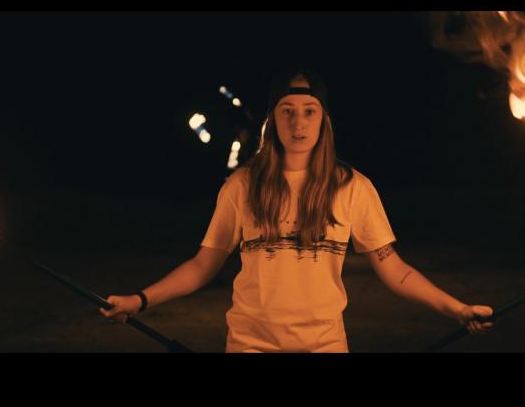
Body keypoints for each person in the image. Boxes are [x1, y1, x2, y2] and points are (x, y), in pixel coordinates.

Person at [101, 70, 494, 352]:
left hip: (324, 345)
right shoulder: (242, 185)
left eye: (309, 110)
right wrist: (140, 299)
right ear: (272, 120)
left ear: (324, 119)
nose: (298, 122)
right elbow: (203, 266)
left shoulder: (353, 187)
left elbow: (394, 268)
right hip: (251, 344)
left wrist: (457, 309)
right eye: (287, 110)